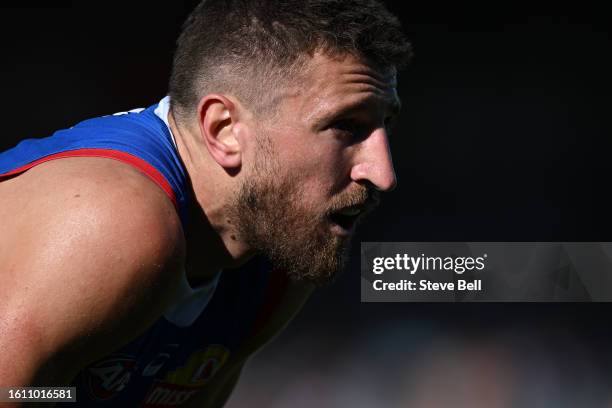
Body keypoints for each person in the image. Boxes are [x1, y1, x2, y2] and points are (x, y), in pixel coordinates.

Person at [0, 0, 411, 406]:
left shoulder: (277, 252)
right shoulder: (116, 221)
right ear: (225, 129)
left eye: (383, 126)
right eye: (346, 126)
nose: (383, 173)